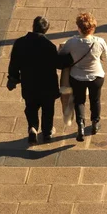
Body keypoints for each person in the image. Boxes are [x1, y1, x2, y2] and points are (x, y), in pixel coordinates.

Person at [7, 16, 67, 144]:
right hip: (47, 85)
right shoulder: (49, 46)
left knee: (31, 107)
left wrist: (13, 78)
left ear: (33, 26)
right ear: (46, 30)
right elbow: (58, 64)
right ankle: (47, 132)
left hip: (29, 84)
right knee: (48, 109)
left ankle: (33, 127)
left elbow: (14, 64)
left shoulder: (20, 43)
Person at [59, 12, 107, 142]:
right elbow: (106, 58)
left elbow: (62, 54)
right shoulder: (100, 42)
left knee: (79, 100)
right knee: (95, 100)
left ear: (79, 28)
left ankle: (80, 124)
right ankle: (95, 123)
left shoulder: (72, 42)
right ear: (93, 28)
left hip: (77, 77)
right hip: (96, 76)